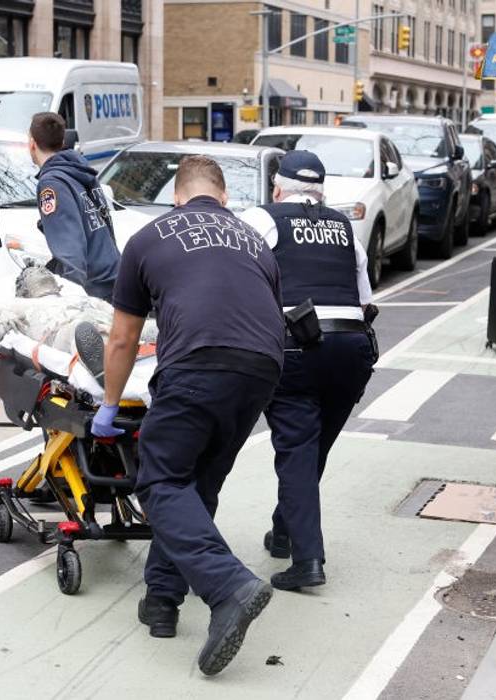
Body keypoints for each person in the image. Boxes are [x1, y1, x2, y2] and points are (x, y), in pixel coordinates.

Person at [91, 155, 284, 676]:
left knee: (159, 480)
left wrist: (109, 405)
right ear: (222, 199)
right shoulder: (255, 242)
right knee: (195, 485)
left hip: (198, 362)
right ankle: (161, 603)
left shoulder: (149, 237)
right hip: (262, 370)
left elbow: (124, 336)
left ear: (176, 197)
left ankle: (228, 587)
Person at [238, 150, 376, 591]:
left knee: (298, 450)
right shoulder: (343, 228)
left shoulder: (263, 218)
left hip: (295, 347)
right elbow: (367, 298)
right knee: (311, 452)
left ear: (278, 188)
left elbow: (233, 274)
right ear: (321, 191)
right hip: (352, 351)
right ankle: (284, 532)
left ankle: (308, 560)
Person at [28, 112, 120, 300]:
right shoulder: (80, 170)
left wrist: (70, 301)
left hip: (94, 291)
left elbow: (70, 251)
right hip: (112, 278)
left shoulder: (52, 184)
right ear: (62, 143)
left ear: (32, 144)